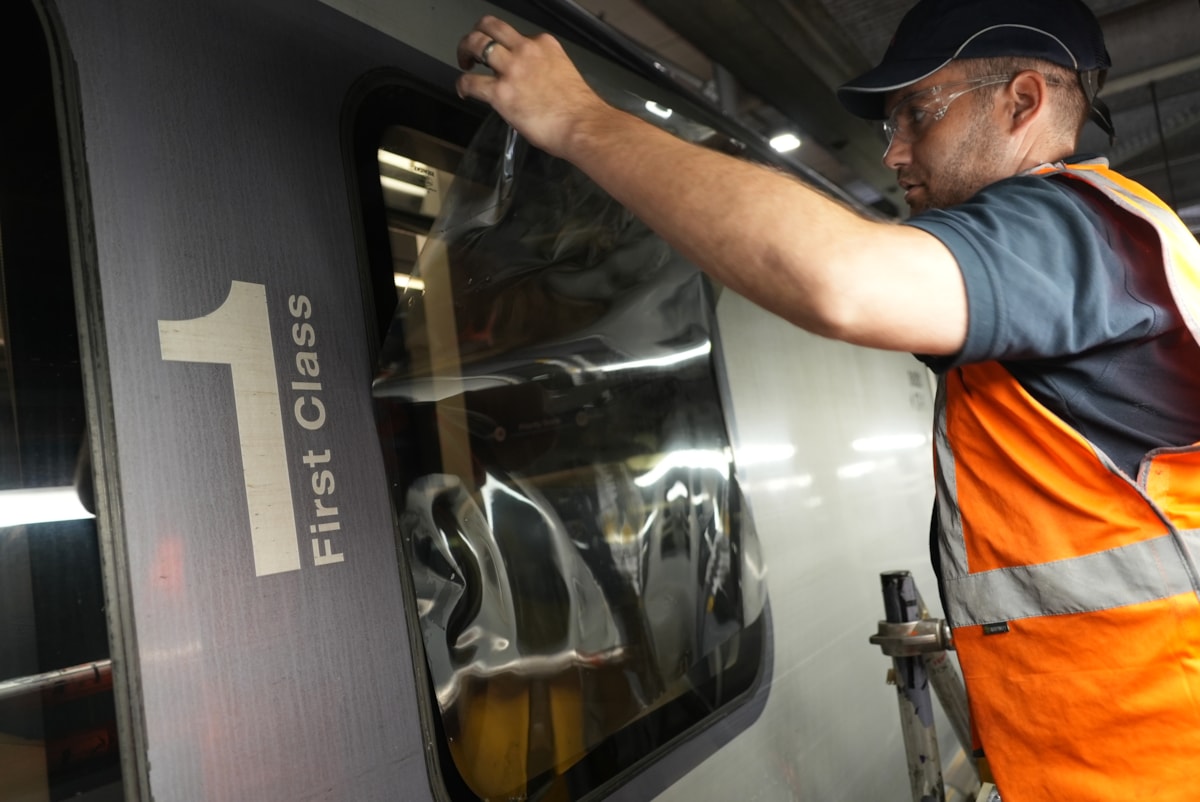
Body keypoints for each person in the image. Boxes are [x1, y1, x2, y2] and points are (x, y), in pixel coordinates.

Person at [456, 0, 1200, 799]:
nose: (896, 152)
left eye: (918, 113)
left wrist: (578, 122)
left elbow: (839, 279)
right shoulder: (1110, 246)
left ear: (1022, 103)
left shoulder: (1067, 233)